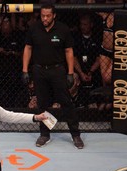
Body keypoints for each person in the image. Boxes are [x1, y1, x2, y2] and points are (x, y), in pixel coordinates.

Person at [22, 4, 84, 149]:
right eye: (42, 15)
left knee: (66, 102)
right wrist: (25, 70)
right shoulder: (34, 28)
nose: (45, 18)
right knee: (42, 104)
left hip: (57, 70)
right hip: (39, 70)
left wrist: (70, 72)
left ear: (54, 15)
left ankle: (75, 135)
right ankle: (44, 134)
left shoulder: (63, 29)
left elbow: (69, 51)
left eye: (48, 16)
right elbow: (28, 48)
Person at [72, 13, 101, 108]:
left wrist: (91, 72)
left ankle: (97, 102)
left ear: (91, 25)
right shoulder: (76, 38)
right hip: (79, 69)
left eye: (85, 24)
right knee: (74, 77)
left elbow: (100, 58)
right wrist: (81, 73)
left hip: (93, 69)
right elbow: (73, 57)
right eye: (81, 24)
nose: (82, 27)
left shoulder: (97, 38)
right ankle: (77, 102)